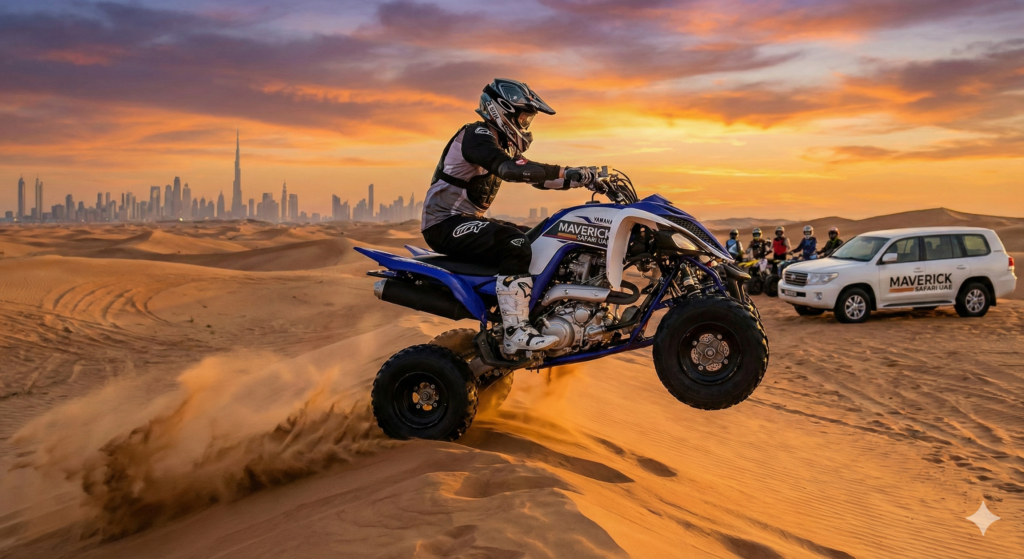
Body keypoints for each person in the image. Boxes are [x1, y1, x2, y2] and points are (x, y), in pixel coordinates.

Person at [420, 78, 595, 354]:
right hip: (444, 224)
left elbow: (536, 178)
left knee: (540, 238)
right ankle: (515, 330)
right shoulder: (476, 135)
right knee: (515, 243)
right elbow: (512, 170)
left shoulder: (502, 144)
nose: (525, 125)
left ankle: (544, 316)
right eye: (524, 118)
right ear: (501, 111)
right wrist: (565, 171)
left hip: (468, 221)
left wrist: (581, 178)